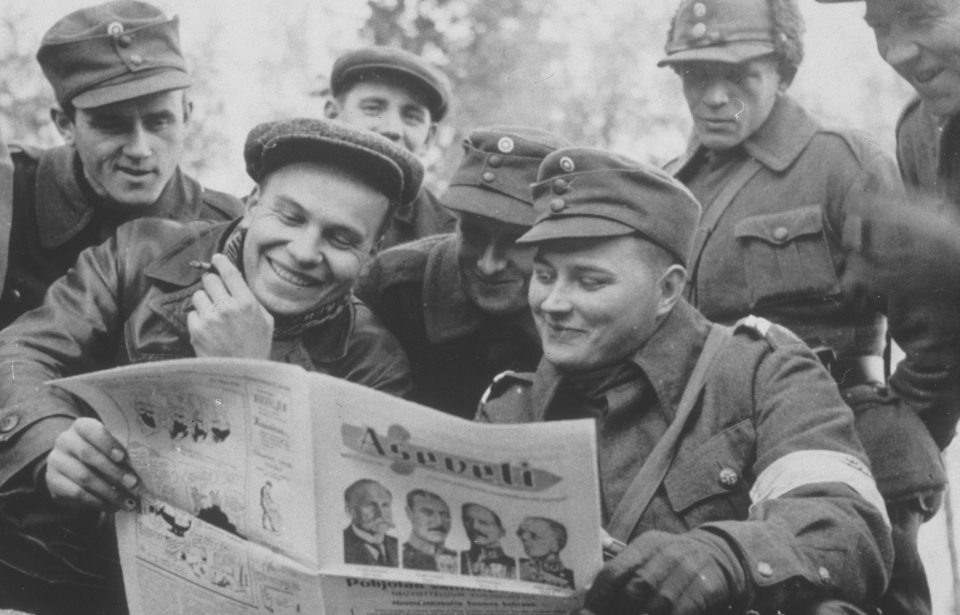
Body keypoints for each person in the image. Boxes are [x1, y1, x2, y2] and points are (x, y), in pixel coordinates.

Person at [0, 117, 421, 615]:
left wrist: (249, 378)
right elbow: (21, 354)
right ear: (251, 203)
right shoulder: (140, 253)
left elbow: (338, 536)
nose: (305, 252)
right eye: (289, 217)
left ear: (374, 251)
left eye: (343, 239)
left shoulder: (375, 364)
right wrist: (50, 444)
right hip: (50, 571)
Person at [478, 147, 893, 615]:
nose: (552, 303)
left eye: (589, 282)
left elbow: (847, 527)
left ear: (668, 290)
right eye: (544, 275)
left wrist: (726, 557)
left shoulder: (759, 371)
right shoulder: (510, 409)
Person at [659, 2, 944, 614]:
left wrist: (885, 441)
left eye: (739, 77)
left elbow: (939, 333)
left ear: (784, 73)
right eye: (694, 76)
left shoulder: (843, 163)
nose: (714, 97)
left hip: (852, 455)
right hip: (726, 465)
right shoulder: (674, 190)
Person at [0, 0, 243, 333]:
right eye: (111, 125)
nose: (140, 149)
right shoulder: (13, 197)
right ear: (65, 125)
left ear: (187, 114)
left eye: (159, 121)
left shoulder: (225, 226)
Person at [356, 127, 566, 418]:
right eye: (473, 234)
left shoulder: (576, 310)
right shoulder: (392, 284)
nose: (488, 265)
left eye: (517, 242)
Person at [324, 46, 456, 248]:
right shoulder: (286, 197)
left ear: (429, 138)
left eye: (412, 117)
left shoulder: (449, 237)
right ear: (333, 116)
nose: (392, 129)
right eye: (373, 108)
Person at [343, 479, 398, 567]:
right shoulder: (341, 544)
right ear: (350, 511)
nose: (381, 513)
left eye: (385, 505)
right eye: (370, 505)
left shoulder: (396, 545)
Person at [402, 489, 456, 572]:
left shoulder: (459, 559)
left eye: (445, 515)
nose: (439, 522)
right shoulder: (398, 556)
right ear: (409, 513)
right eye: (428, 513)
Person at [460, 503, 516, 578]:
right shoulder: (461, 559)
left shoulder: (513, 565)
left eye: (483, 522)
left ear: (501, 531)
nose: (474, 527)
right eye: (468, 520)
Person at [516, 517, 574, 589]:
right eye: (523, 537)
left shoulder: (570, 576)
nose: (525, 539)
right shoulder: (518, 567)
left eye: (534, 536)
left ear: (556, 543)